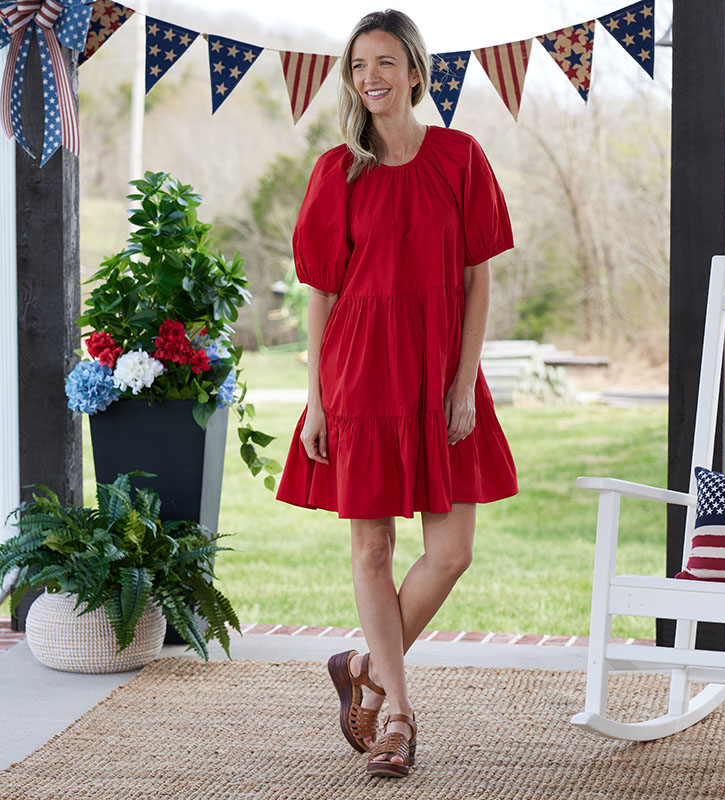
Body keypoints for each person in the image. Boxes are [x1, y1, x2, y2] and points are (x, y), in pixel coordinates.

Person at [275, 8, 517, 779]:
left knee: (451, 552)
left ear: (415, 70)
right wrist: (315, 399)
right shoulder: (335, 172)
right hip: (361, 374)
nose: (370, 78)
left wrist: (463, 382)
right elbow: (319, 293)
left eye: (384, 63)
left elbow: (479, 279)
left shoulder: (460, 157)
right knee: (374, 545)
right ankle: (400, 719)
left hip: (441, 368)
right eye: (357, 66)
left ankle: (367, 672)